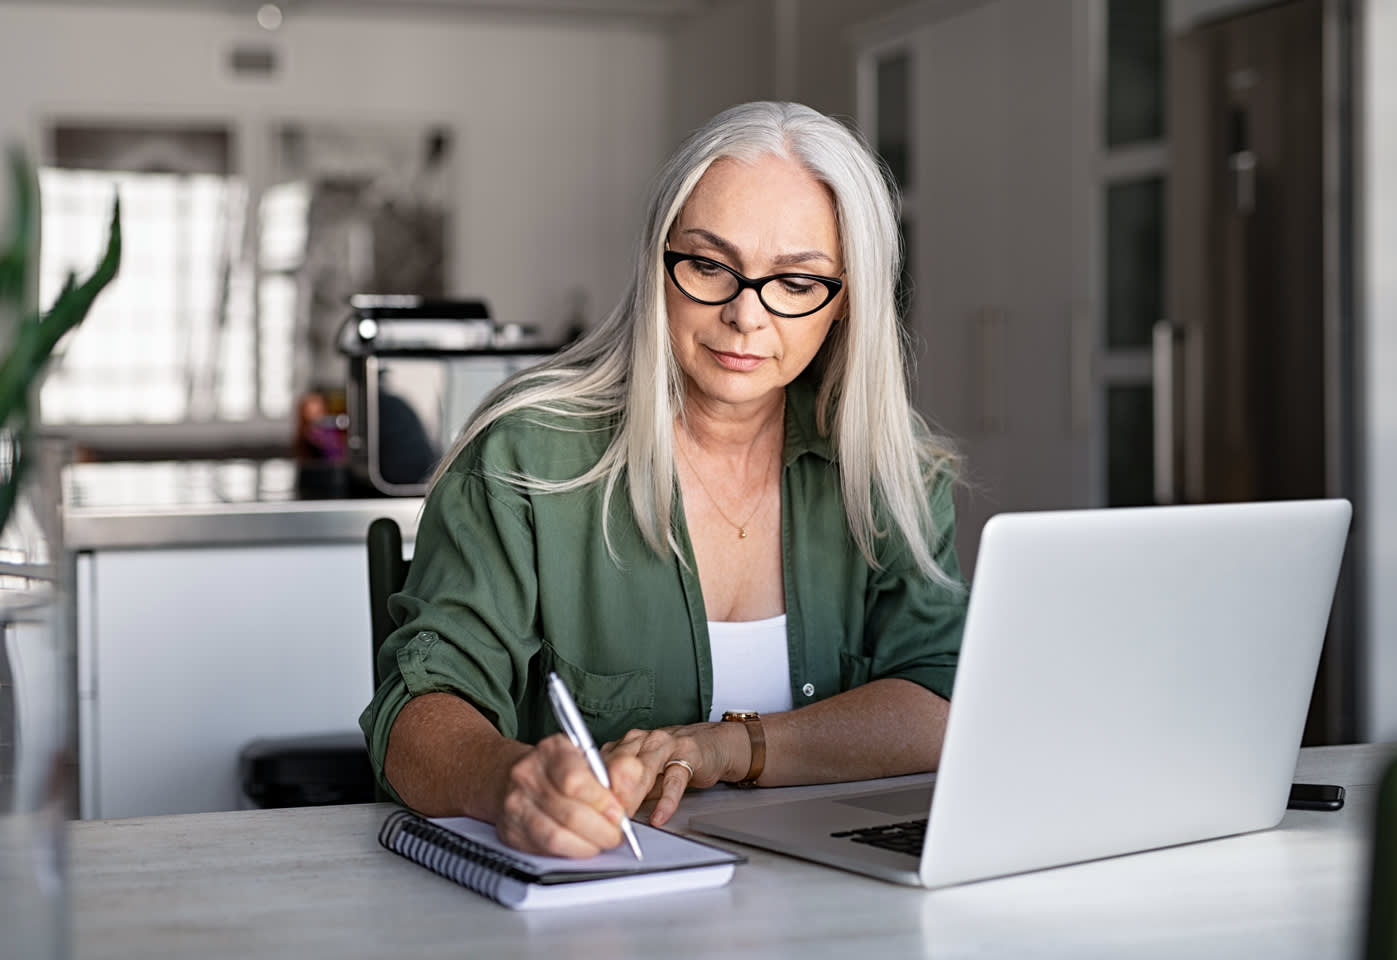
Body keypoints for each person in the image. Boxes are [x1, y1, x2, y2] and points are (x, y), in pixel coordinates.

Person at [359, 101, 969, 859]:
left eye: (796, 281)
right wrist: (506, 780)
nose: (746, 316)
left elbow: (942, 702)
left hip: (840, 894)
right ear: (659, 264)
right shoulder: (524, 454)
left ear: (845, 303)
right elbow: (415, 714)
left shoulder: (891, 467)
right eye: (711, 266)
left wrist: (727, 748)